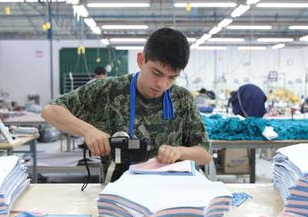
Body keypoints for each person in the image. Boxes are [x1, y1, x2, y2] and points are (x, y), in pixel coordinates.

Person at [41, 28, 211, 181]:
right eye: (156, 73)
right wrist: (88, 131)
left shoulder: (182, 99)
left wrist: (180, 151)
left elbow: (205, 153)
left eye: (171, 77)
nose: (162, 84)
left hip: (169, 194)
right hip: (117, 196)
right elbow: (50, 110)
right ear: (141, 60)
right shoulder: (107, 91)